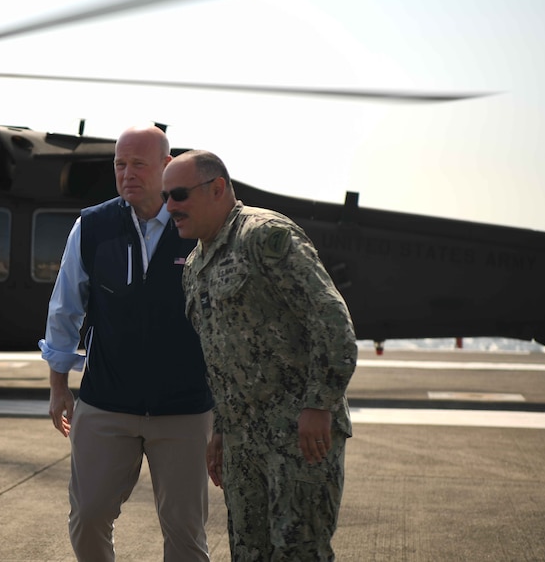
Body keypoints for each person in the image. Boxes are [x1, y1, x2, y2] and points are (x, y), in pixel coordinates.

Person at [162, 149, 357, 561]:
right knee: (248, 553)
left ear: (217, 189)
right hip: (241, 442)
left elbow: (331, 320)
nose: (170, 207)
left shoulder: (265, 237)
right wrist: (220, 431)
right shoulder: (195, 265)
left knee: (299, 552)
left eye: (179, 194)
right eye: (165, 197)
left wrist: (319, 405)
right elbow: (219, 355)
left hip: (299, 435)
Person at [40, 124, 216, 562]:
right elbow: (65, 310)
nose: (127, 173)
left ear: (166, 166)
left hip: (184, 409)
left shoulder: (199, 226)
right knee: (89, 516)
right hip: (106, 403)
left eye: (139, 163)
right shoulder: (93, 226)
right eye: (120, 164)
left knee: (184, 530)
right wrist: (59, 386)